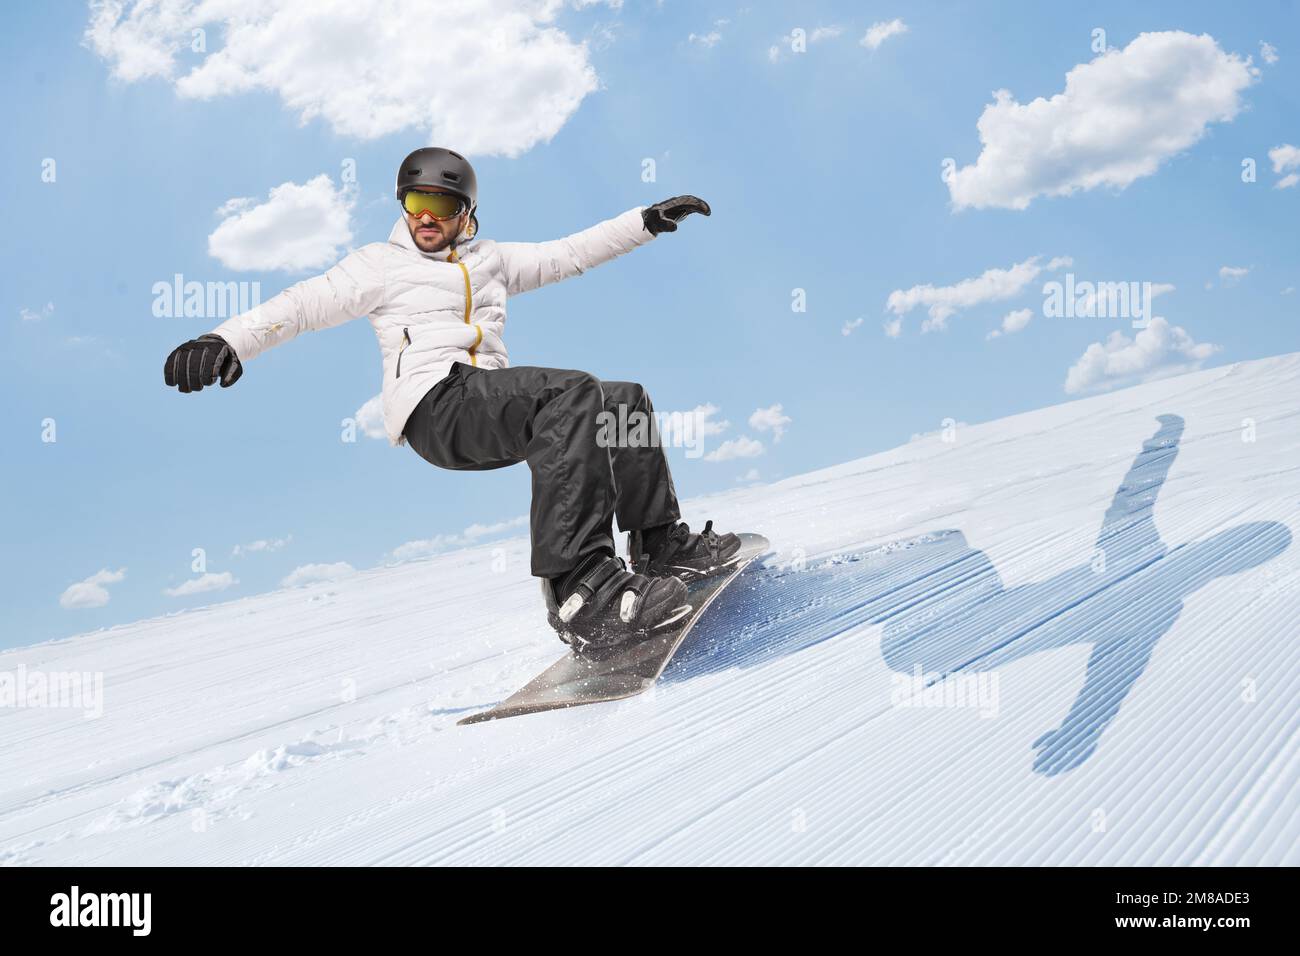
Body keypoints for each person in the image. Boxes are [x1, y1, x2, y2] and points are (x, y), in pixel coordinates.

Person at [164, 147, 743, 652]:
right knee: (571, 391)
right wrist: (226, 339)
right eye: (414, 204)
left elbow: (569, 252)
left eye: (439, 208)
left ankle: (660, 542)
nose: (425, 219)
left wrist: (644, 221)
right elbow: (302, 304)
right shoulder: (380, 265)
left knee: (622, 401)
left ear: (466, 213)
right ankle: (582, 589)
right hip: (436, 407)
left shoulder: (490, 259)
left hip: (489, 402)